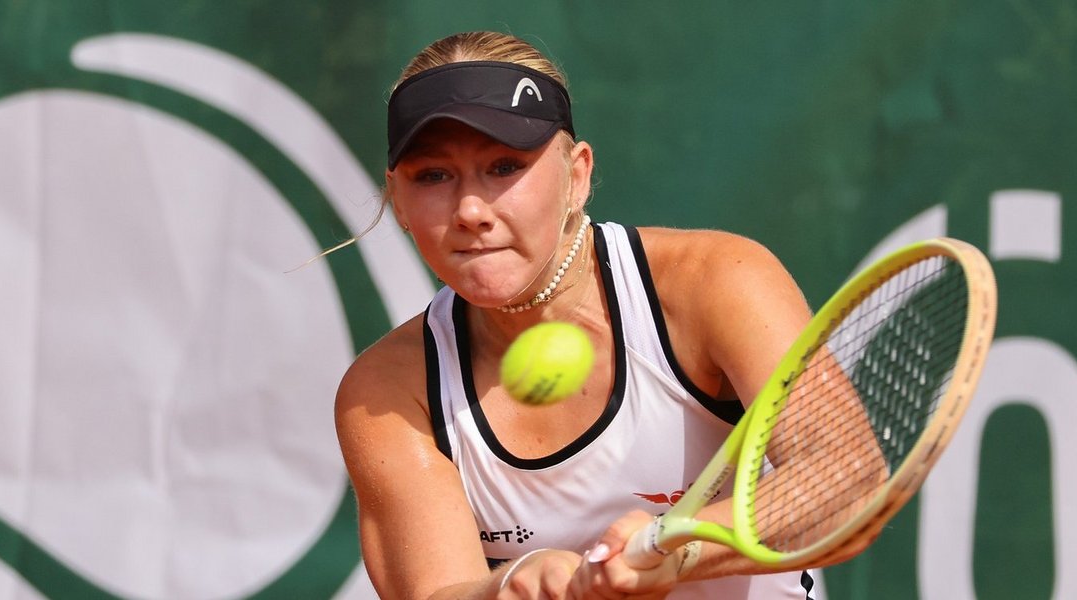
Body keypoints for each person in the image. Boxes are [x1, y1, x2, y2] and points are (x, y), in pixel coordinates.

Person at [335, 31, 831, 599]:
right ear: (398, 199)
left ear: (577, 175)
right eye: (433, 175)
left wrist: (677, 548)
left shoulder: (714, 280)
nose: (470, 209)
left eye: (504, 166)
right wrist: (511, 587)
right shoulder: (386, 392)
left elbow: (843, 476)